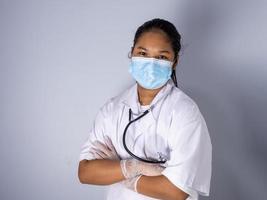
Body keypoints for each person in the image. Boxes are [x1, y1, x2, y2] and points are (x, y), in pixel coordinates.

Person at [78, 18, 212, 200]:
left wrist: (120, 172)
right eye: (142, 53)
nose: (151, 63)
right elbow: (86, 172)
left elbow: (175, 191)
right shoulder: (112, 109)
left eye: (162, 57)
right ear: (131, 53)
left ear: (175, 61)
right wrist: (134, 167)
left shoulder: (184, 112)